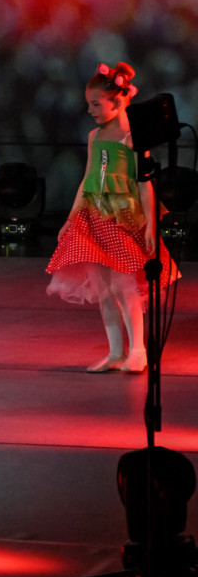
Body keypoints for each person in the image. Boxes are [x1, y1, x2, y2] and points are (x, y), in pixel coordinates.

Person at [46, 62, 178, 373]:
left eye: (96, 104)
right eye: (88, 104)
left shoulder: (133, 138)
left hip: (121, 217)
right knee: (104, 289)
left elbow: (144, 184)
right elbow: (87, 178)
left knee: (123, 285)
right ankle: (116, 352)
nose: (89, 110)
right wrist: (71, 218)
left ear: (117, 102)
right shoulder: (94, 136)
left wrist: (151, 223)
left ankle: (138, 351)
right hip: (94, 215)